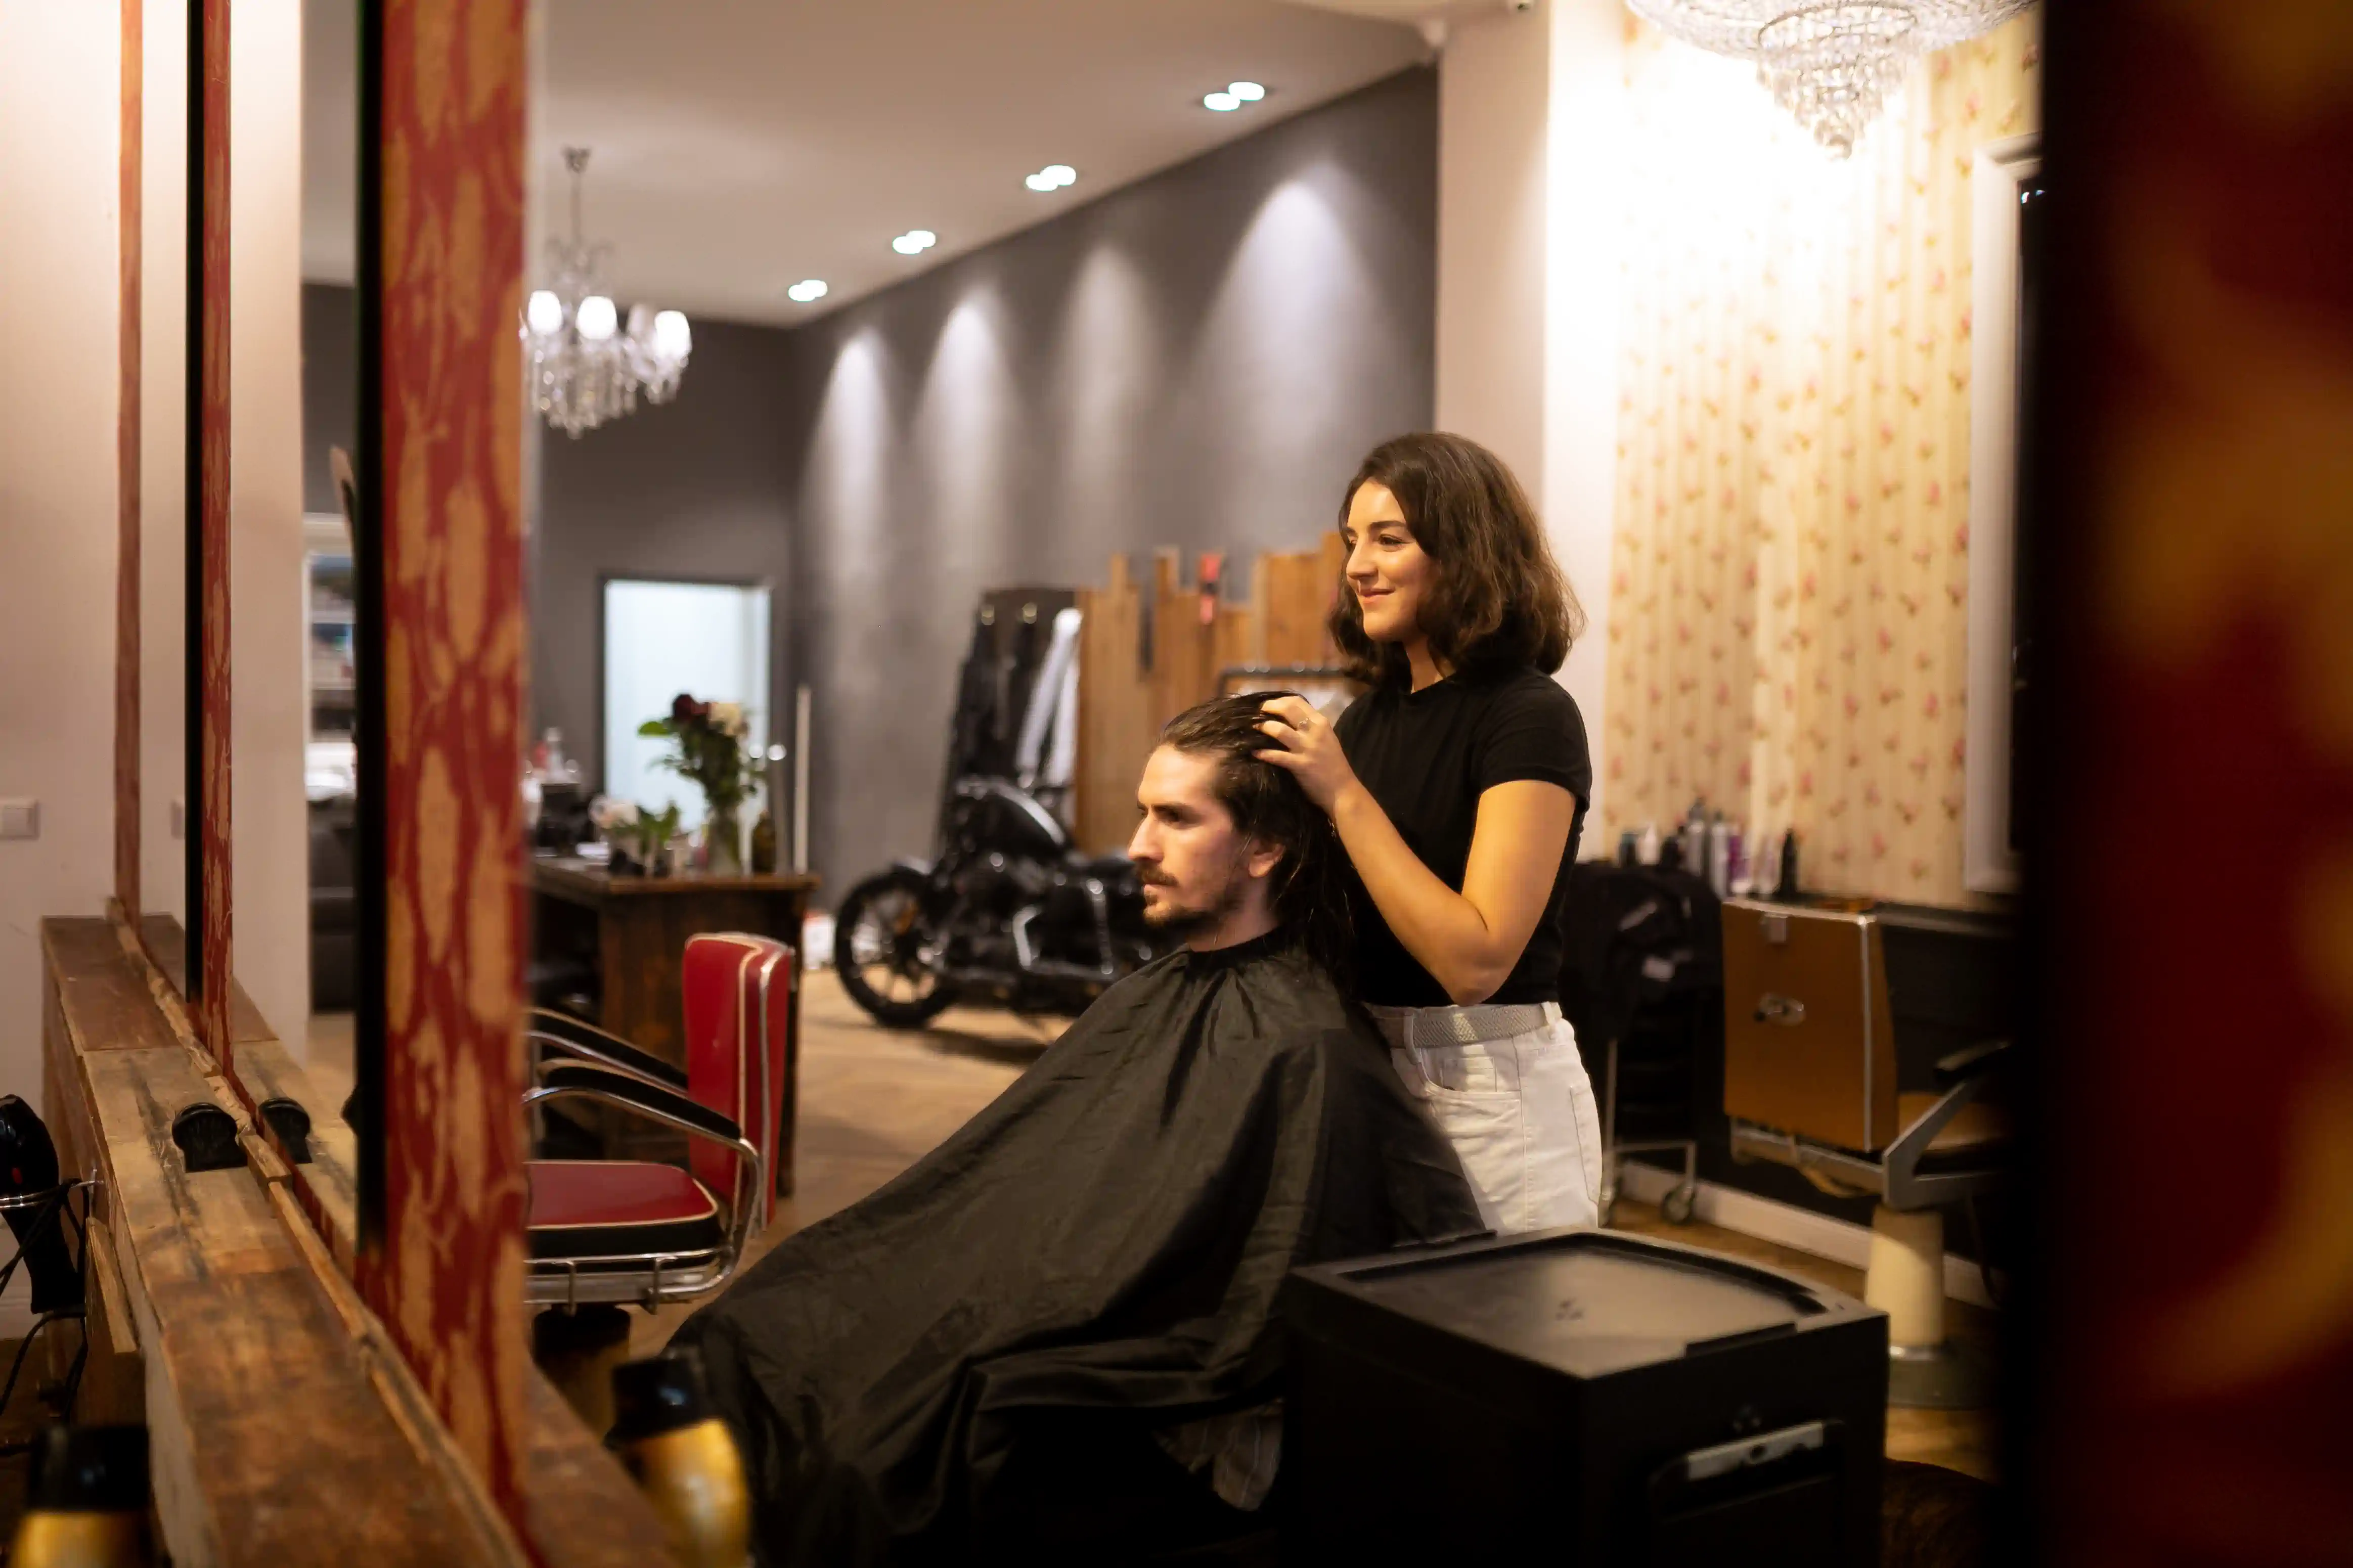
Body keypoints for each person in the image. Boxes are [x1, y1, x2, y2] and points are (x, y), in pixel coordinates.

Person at [668, 694, 1479, 1566]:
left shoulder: (1307, 1045)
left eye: (1176, 818)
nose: (1137, 846)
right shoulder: (1160, 994)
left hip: (1095, 1349)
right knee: (758, 1323)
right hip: (1027, 1288)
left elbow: (1269, 1291)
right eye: (1143, 813)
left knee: (880, 1444)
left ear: (1265, 848)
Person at [1257, 431, 1605, 1235]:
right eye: (1353, 541)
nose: (1358, 566)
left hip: (1494, 1098)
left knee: (1502, 1316)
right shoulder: (1365, 725)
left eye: (1390, 540)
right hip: (1372, 1075)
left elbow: (1474, 961)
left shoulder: (1529, 717)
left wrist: (1343, 795)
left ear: (1465, 551)